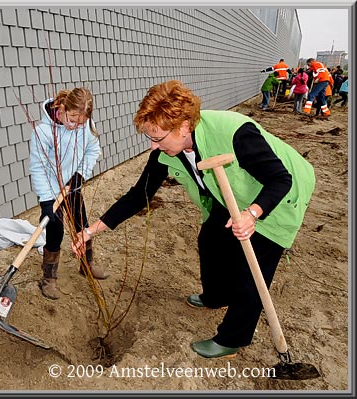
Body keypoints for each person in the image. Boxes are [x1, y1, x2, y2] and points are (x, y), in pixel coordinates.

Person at [71, 80, 315, 359]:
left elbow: (280, 178)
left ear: (184, 126)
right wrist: (91, 231)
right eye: (150, 138)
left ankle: (232, 339)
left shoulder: (235, 132)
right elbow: (139, 195)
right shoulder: (165, 151)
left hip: (281, 195)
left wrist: (253, 214)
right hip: (232, 195)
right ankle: (216, 296)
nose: (153, 146)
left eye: (158, 138)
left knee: (254, 269)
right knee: (211, 238)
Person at [29, 87, 106, 300]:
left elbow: (93, 149)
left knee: (82, 223)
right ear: (62, 109)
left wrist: (81, 174)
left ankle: (87, 264)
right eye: (72, 119)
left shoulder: (86, 126)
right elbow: (38, 168)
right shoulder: (43, 132)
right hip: (51, 189)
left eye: (80, 122)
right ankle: (49, 278)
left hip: (72, 186)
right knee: (55, 229)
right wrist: (46, 201)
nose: (74, 126)